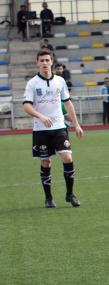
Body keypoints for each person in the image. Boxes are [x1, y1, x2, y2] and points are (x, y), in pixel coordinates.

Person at [23, 49, 83, 209]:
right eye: (41, 60)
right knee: (46, 162)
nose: (44, 63)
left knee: (68, 158)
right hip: (41, 130)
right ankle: (48, 198)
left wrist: (76, 124)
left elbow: (68, 103)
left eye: (47, 60)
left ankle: (70, 194)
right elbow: (26, 105)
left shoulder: (60, 81)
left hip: (59, 127)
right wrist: (40, 116)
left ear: (51, 62)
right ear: (37, 63)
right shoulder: (32, 83)